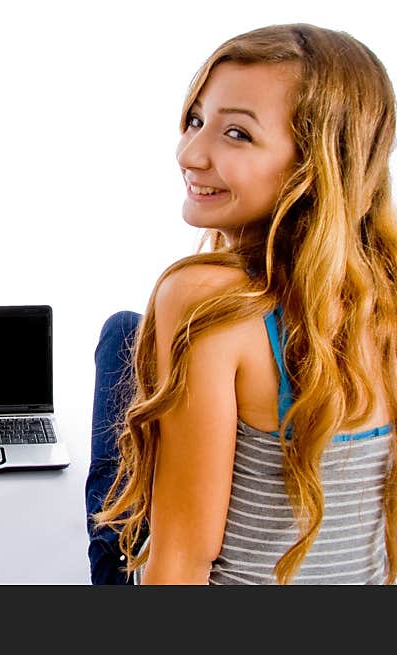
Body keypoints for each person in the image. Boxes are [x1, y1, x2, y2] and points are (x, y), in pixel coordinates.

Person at [87, 23, 397, 584]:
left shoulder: (204, 299)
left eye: (237, 134)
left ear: (316, 163)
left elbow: (180, 560)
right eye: (196, 120)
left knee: (121, 334)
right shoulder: (387, 292)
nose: (190, 153)